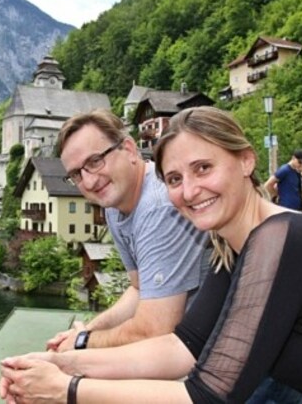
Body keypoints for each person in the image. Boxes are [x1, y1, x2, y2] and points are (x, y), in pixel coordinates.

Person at [0, 106, 302, 403]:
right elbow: (183, 348)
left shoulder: (285, 239)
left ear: (245, 162)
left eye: (203, 168)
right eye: (175, 179)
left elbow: (207, 394)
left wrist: (68, 391)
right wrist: (60, 363)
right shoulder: (232, 246)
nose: (189, 191)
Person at [47, 108, 210, 352]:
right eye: (76, 174)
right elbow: (138, 288)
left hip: (240, 358)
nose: (89, 182)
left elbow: (155, 328)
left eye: (95, 161)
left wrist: (83, 342)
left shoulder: (158, 206)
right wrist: (87, 330)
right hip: (195, 344)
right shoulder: (114, 204)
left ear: (130, 150)